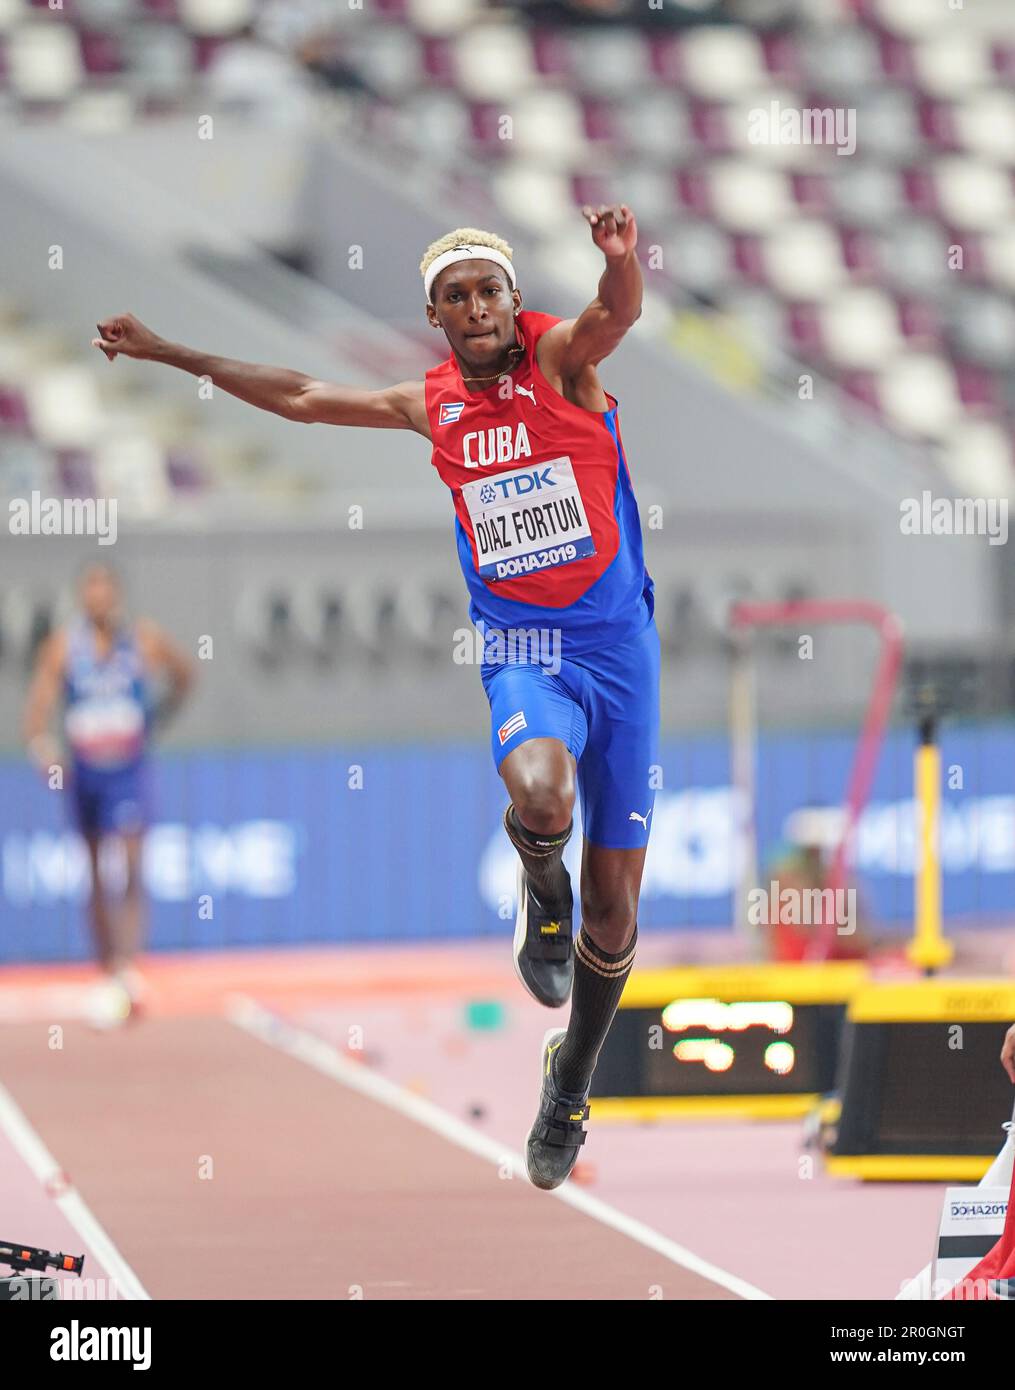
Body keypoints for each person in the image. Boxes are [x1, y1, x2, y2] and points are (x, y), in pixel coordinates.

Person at [91, 204, 657, 1188]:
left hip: (621, 650)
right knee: (538, 792)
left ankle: (569, 1074)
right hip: (525, 647)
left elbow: (614, 314)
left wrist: (620, 261)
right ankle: (542, 893)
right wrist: (171, 353)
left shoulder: (564, 362)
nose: (476, 307)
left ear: (514, 301)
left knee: (619, 915)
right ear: (434, 315)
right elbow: (303, 394)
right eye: (456, 297)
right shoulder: (426, 404)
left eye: (489, 291)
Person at [23, 564, 193, 1025]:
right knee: (97, 871)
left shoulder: (141, 640)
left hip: (129, 769)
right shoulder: (64, 646)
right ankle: (106, 967)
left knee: (133, 860)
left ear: (115, 594)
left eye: (104, 588)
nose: (97, 597)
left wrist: (156, 718)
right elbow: (37, 711)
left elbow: (184, 674)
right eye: (89, 589)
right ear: (82, 596)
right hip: (86, 773)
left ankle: (129, 966)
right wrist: (44, 752)